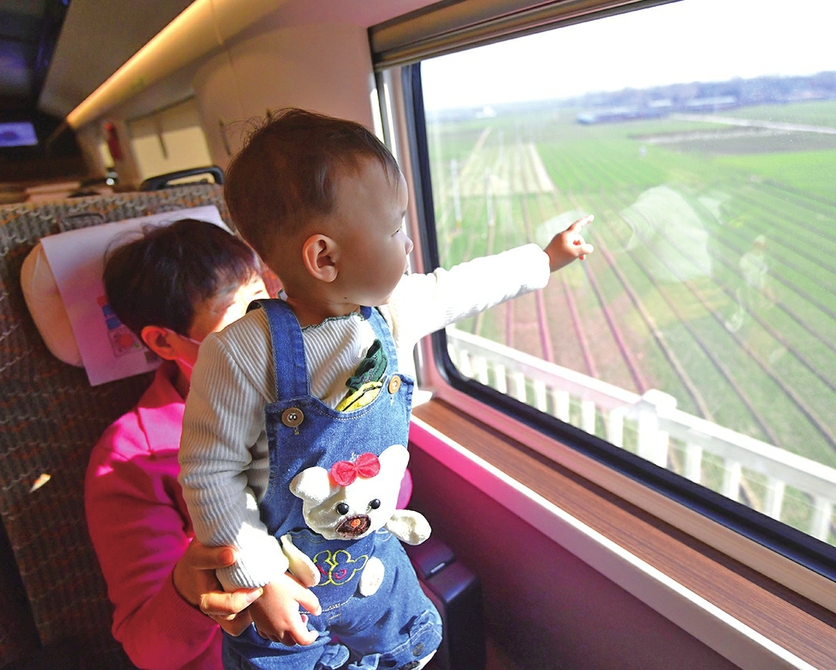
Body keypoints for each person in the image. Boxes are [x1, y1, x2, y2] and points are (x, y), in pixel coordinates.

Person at [178, 108, 594, 670]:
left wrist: (543, 259)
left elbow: (464, 286)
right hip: (288, 577)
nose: (409, 242)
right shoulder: (240, 353)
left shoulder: (391, 311)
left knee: (410, 650)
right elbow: (211, 472)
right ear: (324, 257)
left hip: (373, 555)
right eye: (396, 227)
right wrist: (260, 578)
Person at [85, 218, 274, 670]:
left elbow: (394, 490)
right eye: (239, 313)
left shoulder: (301, 385)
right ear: (164, 340)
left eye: (262, 299)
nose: (266, 325)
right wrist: (192, 588)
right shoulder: (129, 458)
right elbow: (149, 649)